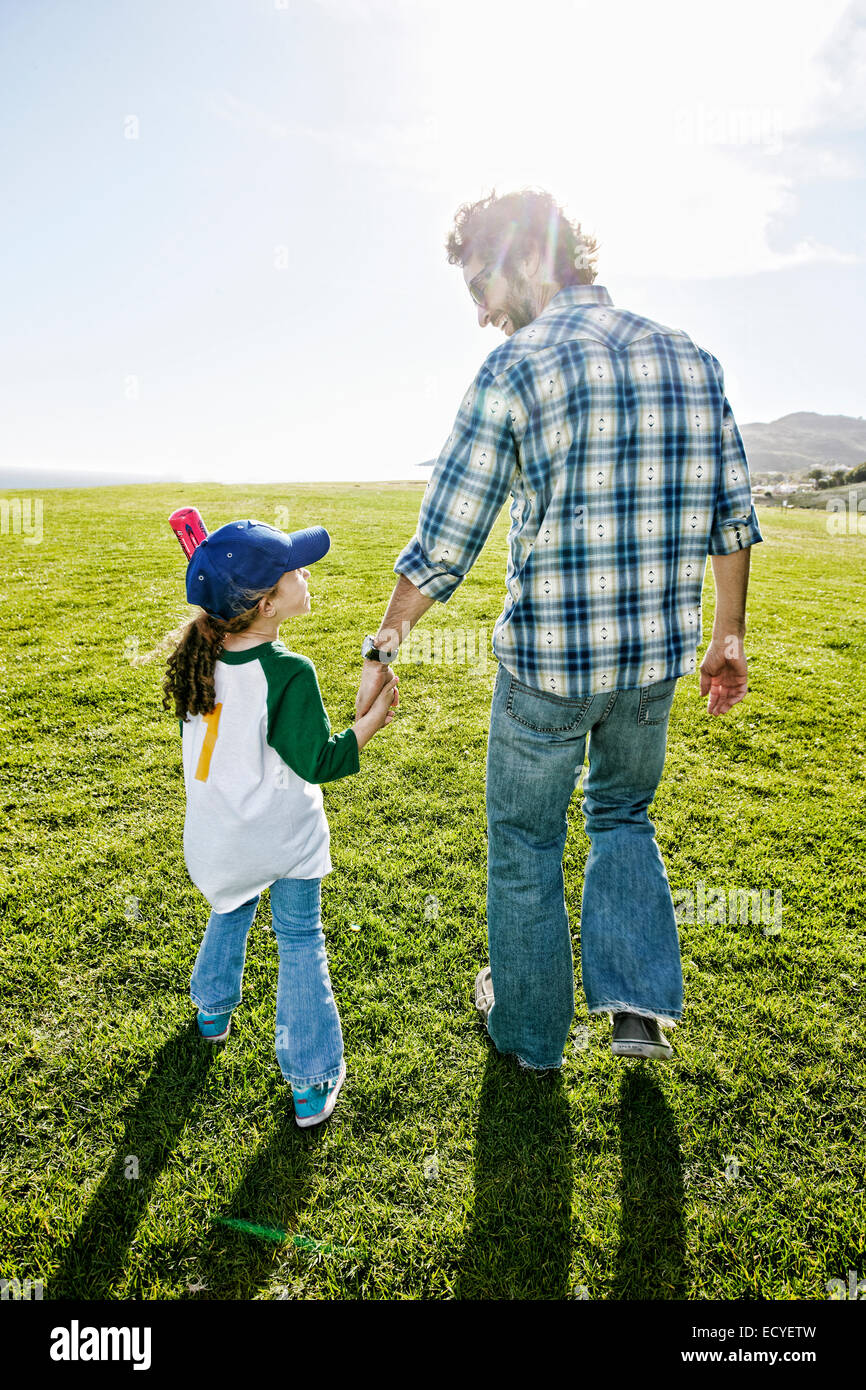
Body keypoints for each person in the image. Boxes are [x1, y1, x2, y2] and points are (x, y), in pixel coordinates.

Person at [355, 188, 762, 1072]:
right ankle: (635, 1008)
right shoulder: (692, 357)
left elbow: (447, 537)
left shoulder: (515, 370)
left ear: (533, 257)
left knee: (526, 840)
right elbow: (733, 517)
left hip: (547, 668)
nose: (479, 313)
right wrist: (727, 636)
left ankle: (533, 1036)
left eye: (480, 285)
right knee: (624, 812)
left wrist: (383, 643)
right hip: (652, 662)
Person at [162, 519, 398, 1126]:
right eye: (295, 570)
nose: (306, 574)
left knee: (231, 905)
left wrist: (361, 699)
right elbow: (318, 760)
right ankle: (311, 1078)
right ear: (267, 604)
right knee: (298, 939)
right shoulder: (289, 671)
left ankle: (212, 1010)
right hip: (282, 838)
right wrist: (372, 721)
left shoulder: (200, 657)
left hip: (217, 839)